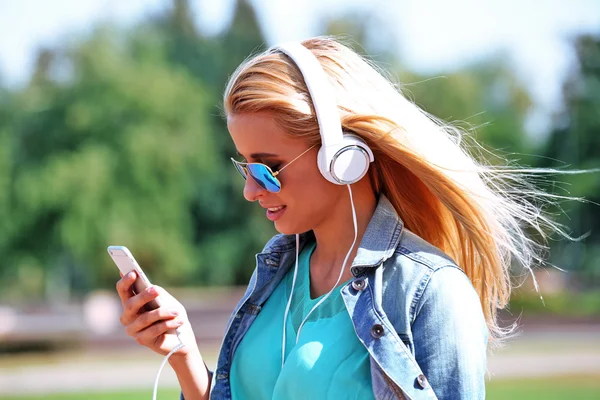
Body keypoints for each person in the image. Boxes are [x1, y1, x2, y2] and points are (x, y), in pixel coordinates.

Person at [116, 37, 566, 400]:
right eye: (244, 167)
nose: (250, 191)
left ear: (342, 157)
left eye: (266, 169)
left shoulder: (431, 292)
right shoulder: (277, 277)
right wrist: (183, 351)